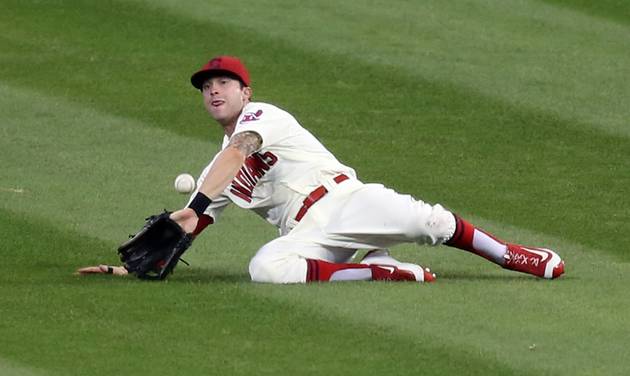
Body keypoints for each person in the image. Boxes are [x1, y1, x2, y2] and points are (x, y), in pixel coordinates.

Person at [78, 55, 565, 283]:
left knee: (430, 221)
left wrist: (199, 204)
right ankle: (379, 272)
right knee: (265, 268)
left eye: (224, 82)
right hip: (310, 233)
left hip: (345, 200)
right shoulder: (215, 173)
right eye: (207, 86)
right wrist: (127, 267)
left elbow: (237, 152)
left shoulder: (262, 116)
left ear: (245, 92)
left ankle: (512, 255)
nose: (214, 91)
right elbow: (185, 230)